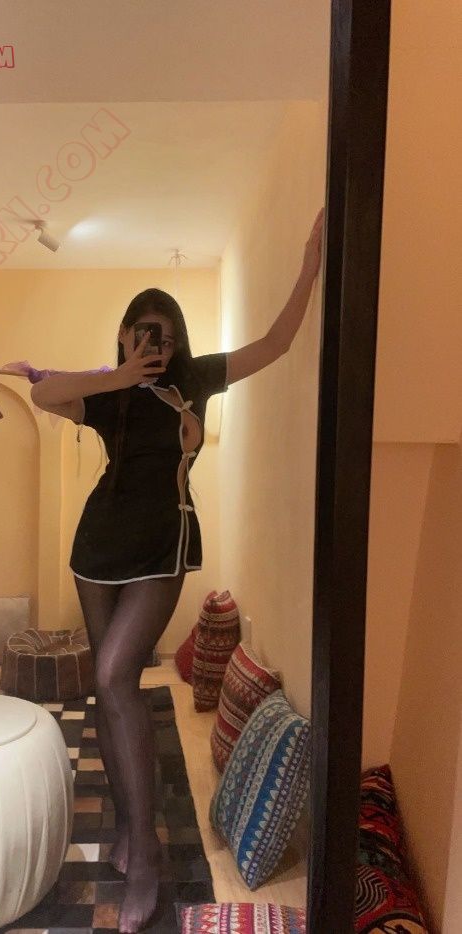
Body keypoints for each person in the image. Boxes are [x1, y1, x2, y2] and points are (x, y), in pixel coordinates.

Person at [30, 207, 324, 933]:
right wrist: (119, 374)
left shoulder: (195, 380)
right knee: (110, 692)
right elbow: (42, 394)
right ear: (124, 336)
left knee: (113, 678)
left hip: (162, 549)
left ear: (178, 339)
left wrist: (311, 265)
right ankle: (130, 826)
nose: (151, 343)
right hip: (97, 549)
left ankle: (149, 857)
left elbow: (277, 343)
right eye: (139, 332)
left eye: (161, 334)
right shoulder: (110, 391)